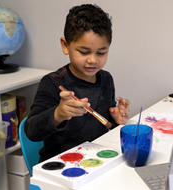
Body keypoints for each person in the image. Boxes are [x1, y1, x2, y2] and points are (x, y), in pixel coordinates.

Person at [25, 4, 130, 162]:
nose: (93, 60)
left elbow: (105, 128)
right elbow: (31, 131)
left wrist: (116, 121)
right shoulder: (53, 83)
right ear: (66, 45)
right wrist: (58, 114)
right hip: (62, 166)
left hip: (96, 161)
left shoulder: (106, 79)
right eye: (84, 52)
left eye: (101, 52)